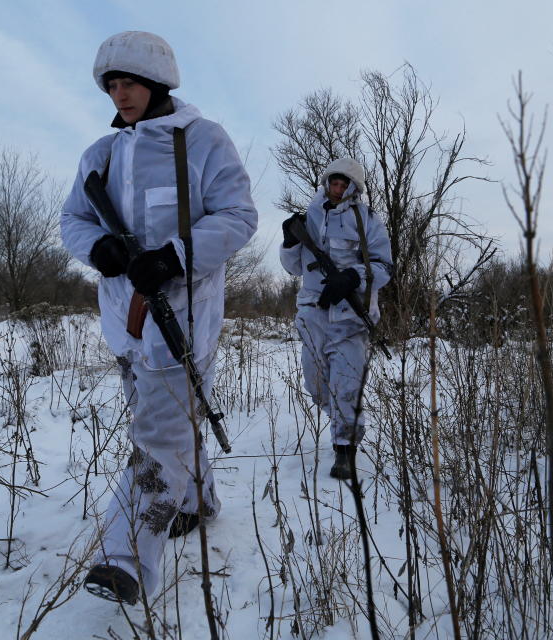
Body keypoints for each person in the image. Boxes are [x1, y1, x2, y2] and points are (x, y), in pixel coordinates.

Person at [60, 31, 257, 606]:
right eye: (112, 85)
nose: (120, 94)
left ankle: (125, 560)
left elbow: (240, 215)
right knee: (168, 426)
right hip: (125, 321)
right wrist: (100, 250)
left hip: (183, 320)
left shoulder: (201, 141)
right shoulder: (99, 154)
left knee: (155, 436)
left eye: (129, 83)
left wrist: (173, 256)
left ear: (157, 82)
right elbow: (73, 219)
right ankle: (200, 502)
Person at [279, 158, 392, 479]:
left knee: (346, 386)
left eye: (345, 185)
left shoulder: (367, 219)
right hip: (312, 315)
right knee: (315, 386)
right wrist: (289, 242)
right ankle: (341, 419)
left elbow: (384, 266)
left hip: (351, 319)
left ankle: (345, 448)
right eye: (334, 183)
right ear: (326, 182)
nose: (338, 190)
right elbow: (293, 268)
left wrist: (352, 278)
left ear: (354, 188)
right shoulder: (309, 217)